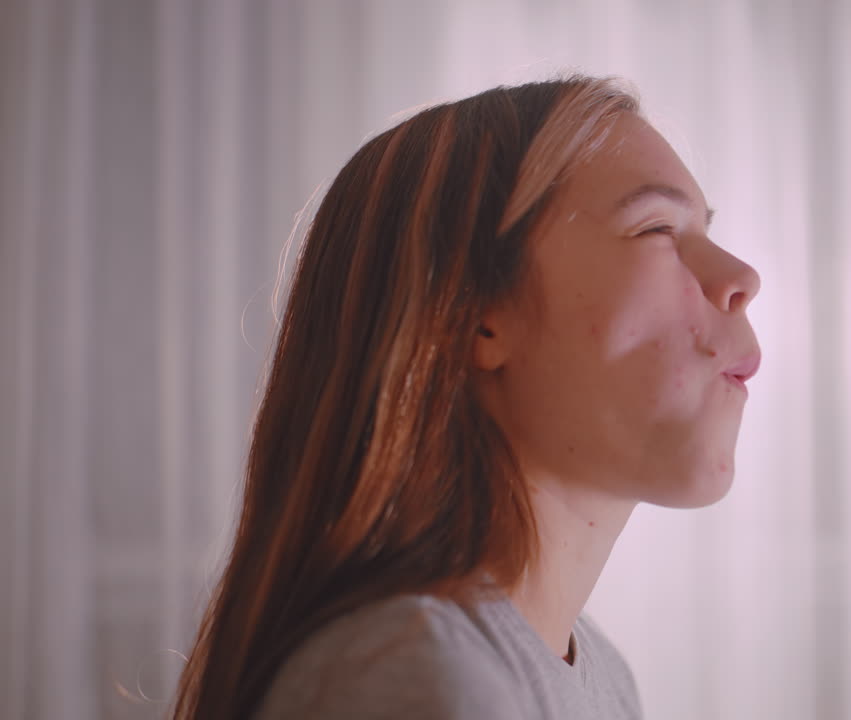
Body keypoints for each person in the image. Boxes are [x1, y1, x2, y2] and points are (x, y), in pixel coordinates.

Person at [170, 74, 761, 720]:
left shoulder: (600, 682)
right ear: (479, 315)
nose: (741, 277)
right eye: (656, 229)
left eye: (704, 230)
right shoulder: (410, 677)